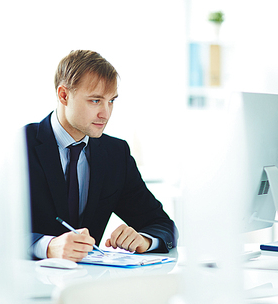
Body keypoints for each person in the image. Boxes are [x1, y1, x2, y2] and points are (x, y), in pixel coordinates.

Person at [25, 50, 177, 261]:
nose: (106, 113)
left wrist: (144, 240)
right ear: (64, 95)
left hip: (89, 286)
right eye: (96, 101)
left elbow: (162, 224)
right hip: (26, 286)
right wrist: (46, 246)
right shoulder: (18, 147)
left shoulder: (115, 154)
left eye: (111, 101)